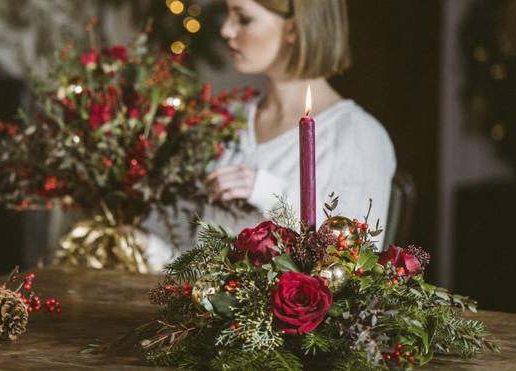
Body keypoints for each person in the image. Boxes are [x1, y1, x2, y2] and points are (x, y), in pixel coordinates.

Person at [141, 0, 396, 271]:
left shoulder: (357, 136)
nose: (226, 30)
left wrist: (267, 191)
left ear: (294, 30)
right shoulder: (228, 120)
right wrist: (143, 245)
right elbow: (191, 257)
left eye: (243, 19)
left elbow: (353, 267)